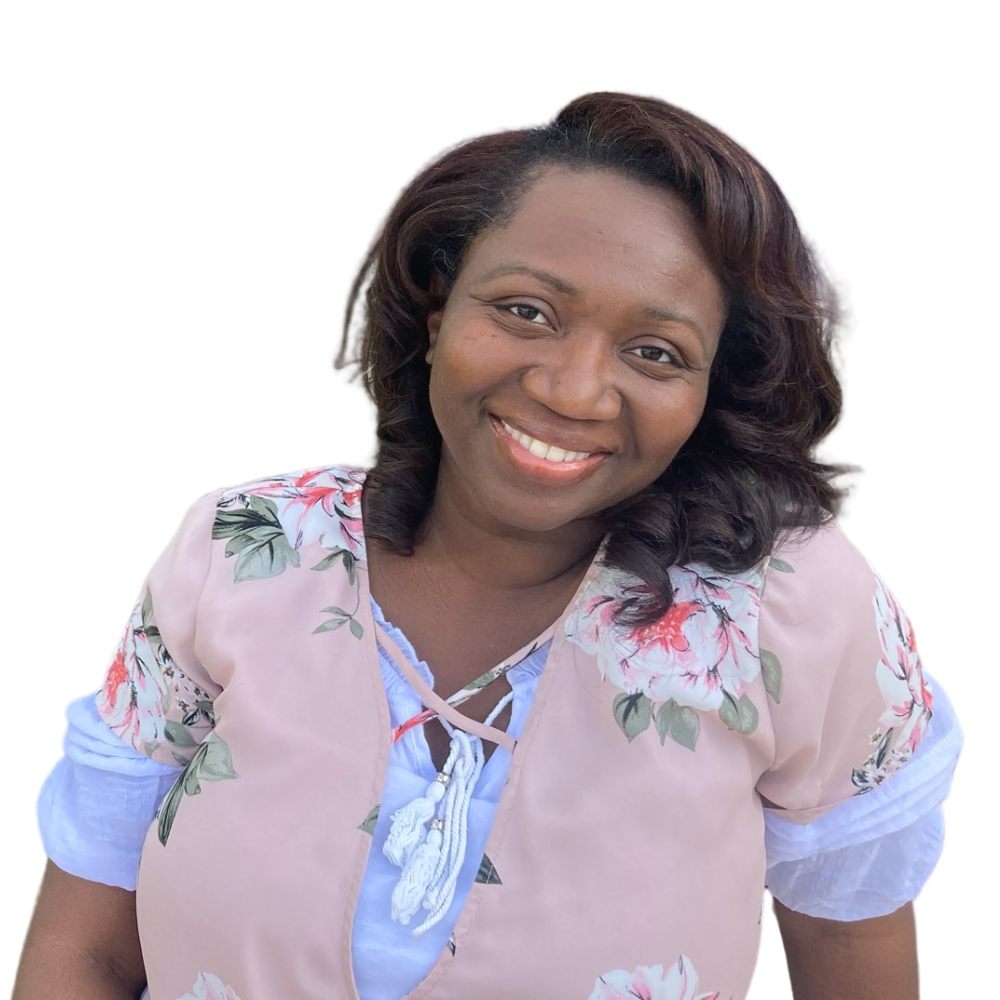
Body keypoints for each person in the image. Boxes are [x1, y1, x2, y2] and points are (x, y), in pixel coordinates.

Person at [14, 91, 963, 1000]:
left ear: (713, 391)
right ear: (437, 315)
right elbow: (84, 953)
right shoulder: (240, 548)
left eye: (655, 352)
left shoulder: (792, 610)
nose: (574, 391)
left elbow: (852, 957)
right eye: (526, 310)